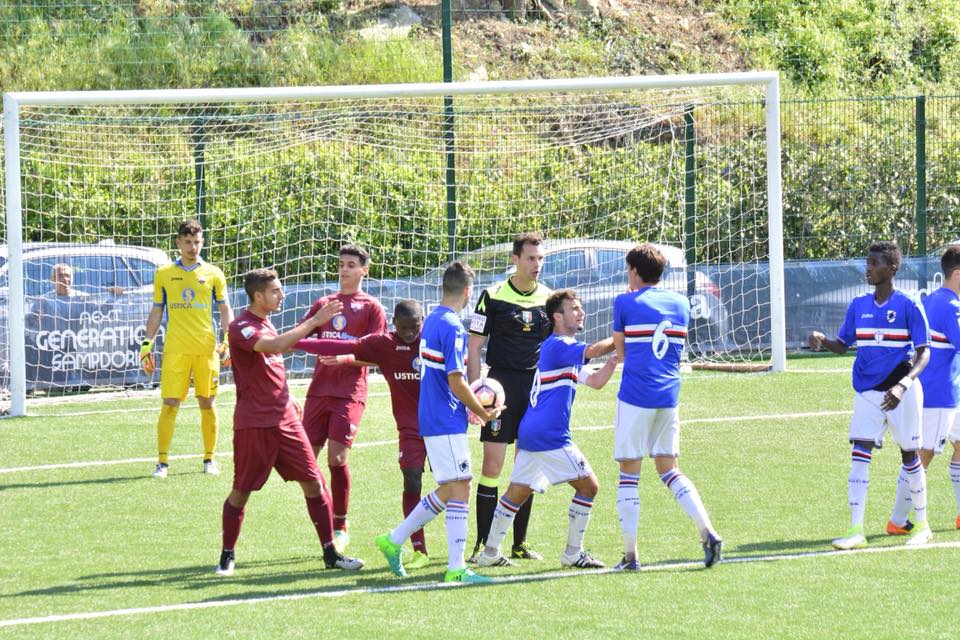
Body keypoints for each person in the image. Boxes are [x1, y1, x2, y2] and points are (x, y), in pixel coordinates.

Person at [215, 268, 363, 576]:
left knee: (314, 482)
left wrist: (288, 394)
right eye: (275, 291)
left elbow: (271, 364)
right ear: (258, 296)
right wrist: (314, 322)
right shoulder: (240, 326)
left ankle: (330, 553)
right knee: (241, 490)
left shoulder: (267, 322)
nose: (282, 296)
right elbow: (275, 347)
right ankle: (227, 555)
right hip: (254, 423)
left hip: (286, 421)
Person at [375, 261, 502, 584]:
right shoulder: (453, 327)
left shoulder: (432, 320)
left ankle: (394, 539)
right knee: (462, 485)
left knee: (451, 487)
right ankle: (456, 568)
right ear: (468, 291)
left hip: (434, 416)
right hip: (444, 417)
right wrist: (483, 412)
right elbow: (457, 381)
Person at [476, 289, 618, 570]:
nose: (581, 312)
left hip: (532, 433)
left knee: (517, 492)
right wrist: (623, 335)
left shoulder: (564, 352)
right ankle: (572, 553)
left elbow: (598, 381)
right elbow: (592, 351)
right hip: (549, 435)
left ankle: (490, 551)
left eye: (580, 307)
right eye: (574, 308)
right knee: (589, 487)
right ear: (557, 316)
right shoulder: (558, 345)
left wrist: (613, 361)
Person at [809, 241, 932, 550]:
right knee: (859, 454)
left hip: (901, 392)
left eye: (874, 263)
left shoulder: (908, 304)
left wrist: (903, 385)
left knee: (909, 455)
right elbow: (842, 344)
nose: (868, 268)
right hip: (867, 392)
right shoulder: (858, 305)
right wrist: (823, 340)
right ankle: (855, 530)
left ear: (891, 268)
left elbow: (923, 354)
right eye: (867, 262)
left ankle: (924, 526)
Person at [295, 299, 431, 569]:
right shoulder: (386, 343)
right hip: (410, 429)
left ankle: (461, 553)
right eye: (404, 328)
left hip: (441, 425)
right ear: (394, 324)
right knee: (412, 480)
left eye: (414, 327)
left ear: (423, 322)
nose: (410, 333)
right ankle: (420, 550)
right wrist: (291, 342)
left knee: (454, 487)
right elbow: (345, 346)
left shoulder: (433, 338)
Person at [612, 243, 723, 570]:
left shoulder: (625, 302)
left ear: (634, 271)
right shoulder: (679, 303)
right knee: (669, 469)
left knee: (628, 475)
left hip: (635, 395)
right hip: (669, 396)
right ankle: (708, 531)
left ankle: (630, 556)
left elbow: (622, 351)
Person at [468, 232, 553, 562]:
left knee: (526, 467)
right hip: (498, 392)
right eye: (531, 258)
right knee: (492, 465)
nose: (537, 264)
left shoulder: (549, 298)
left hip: (533, 393)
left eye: (540, 258)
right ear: (515, 259)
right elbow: (474, 346)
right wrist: (476, 393)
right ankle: (481, 543)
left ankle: (518, 543)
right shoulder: (492, 296)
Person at [299, 244, 387, 551]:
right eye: (341, 264)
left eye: (351, 264)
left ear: (364, 270)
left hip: (349, 393)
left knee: (336, 459)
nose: (344, 269)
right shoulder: (325, 303)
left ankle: (340, 523)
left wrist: (346, 359)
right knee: (305, 463)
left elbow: (379, 354)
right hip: (318, 391)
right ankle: (325, 509)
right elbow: (301, 336)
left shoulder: (372, 307)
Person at [140, 220, 233, 478]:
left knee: (207, 402)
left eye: (198, 242)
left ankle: (209, 459)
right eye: (188, 242)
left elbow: (225, 309)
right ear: (178, 243)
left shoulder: (214, 273)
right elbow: (157, 310)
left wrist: (228, 339)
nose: (193, 247)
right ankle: (162, 463)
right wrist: (146, 344)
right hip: (175, 350)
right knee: (170, 403)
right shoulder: (164, 273)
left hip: (206, 350)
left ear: (202, 242)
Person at [887, 245, 960, 534]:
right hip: (939, 393)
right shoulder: (951, 306)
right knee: (924, 453)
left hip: (947, 390)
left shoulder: (933, 300)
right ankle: (897, 518)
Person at [27, 263, 124, 386]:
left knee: (72, 383)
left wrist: (114, 296)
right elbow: (30, 325)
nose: (65, 279)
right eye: (60, 276)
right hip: (50, 351)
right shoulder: (44, 300)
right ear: (53, 280)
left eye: (68, 276)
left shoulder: (81, 298)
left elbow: (102, 311)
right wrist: (33, 318)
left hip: (76, 348)